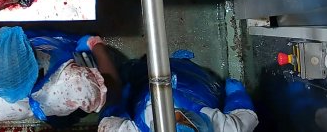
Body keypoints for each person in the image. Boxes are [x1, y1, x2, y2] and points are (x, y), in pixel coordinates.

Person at [0, 24, 121, 126]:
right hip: (65, 100)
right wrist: (96, 44)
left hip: (47, 109)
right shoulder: (75, 82)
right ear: (36, 62)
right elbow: (113, 91)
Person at [99, 50, 258, 132]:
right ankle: (181, 61)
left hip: (144, 86)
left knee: (135, 73)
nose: (177, 114)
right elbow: (245, 116)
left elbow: (108, 118)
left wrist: (121, 100)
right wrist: (236, 93)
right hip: (198, 85)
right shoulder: (222, 126)